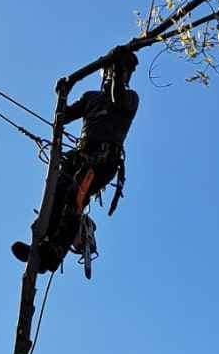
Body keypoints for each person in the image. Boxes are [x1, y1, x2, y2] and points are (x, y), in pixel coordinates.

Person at [12, 48, 139, 274]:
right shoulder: (91, 98)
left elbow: (116, 96)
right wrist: (62, 95)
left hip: (103, 159)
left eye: (125, 72)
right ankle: (40, 242)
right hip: (81, 155)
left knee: (75, 193)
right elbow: (63, 118)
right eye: (119, 70)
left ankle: (54, 253)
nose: (122, 75)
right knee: (57, 188)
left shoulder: (129, 99)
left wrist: (118, 67)